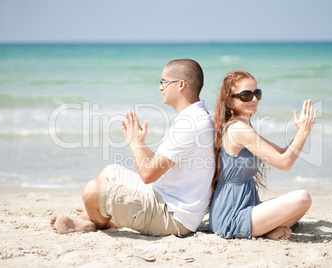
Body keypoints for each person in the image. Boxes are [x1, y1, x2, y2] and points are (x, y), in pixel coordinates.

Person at [50, 59, 215, 237]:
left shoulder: (189, 124)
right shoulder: (197, 116)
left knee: (92, 191)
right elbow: (167, 163)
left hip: (173, 216)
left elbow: (147, 175)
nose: (160, 88)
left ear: (181, 85)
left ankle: (94, 223)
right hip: (164, 196)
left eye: (164, 82)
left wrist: (134, 143)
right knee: (109, 172)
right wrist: (142, 145)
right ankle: (94, 219)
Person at [209, 71, 317, 240]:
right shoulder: (238, 129)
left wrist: (302, 131)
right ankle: (265, 231)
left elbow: (281, 153)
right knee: (303, 199)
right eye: (246, 95)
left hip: (244, 208)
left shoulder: (242, 126)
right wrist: (304, 132)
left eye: (257, 93)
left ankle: (266, 231)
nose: (254, 99)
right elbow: (285, 163)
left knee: (301, 205)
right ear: (230, 100)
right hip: (230, 215)